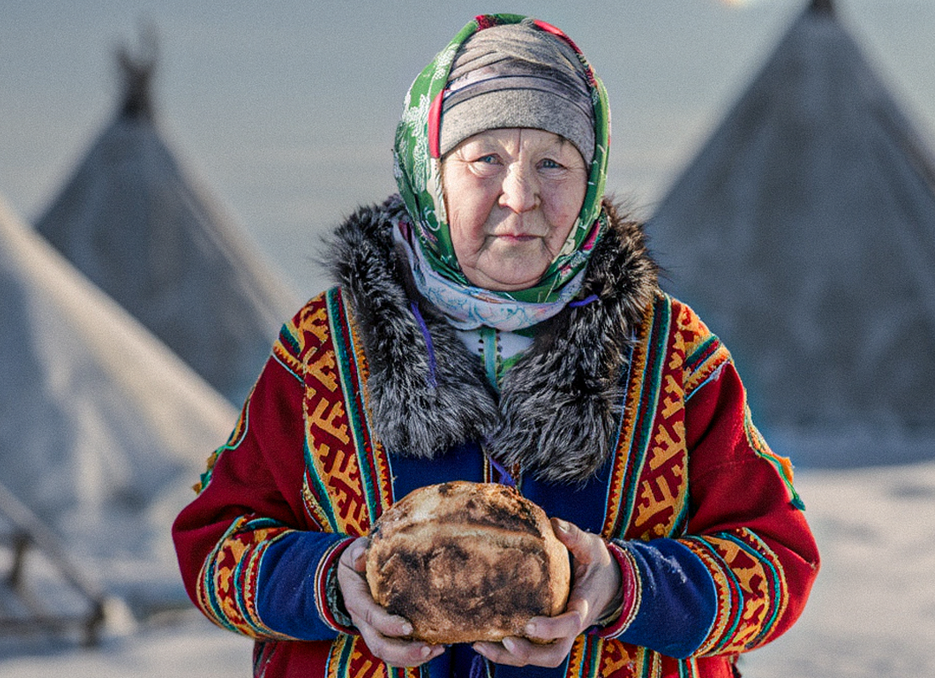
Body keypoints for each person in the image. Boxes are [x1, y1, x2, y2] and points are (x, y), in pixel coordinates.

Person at [173, 14, 819, 678]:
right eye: (485, 159)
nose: (521, 196)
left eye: (553, 162)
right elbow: (214, 544)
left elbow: (778, 561)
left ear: (591, 178)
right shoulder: (326, 350)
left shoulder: (671, 354)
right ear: (430, 174)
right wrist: (331, 581)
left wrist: (624, 585)